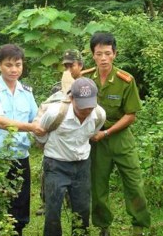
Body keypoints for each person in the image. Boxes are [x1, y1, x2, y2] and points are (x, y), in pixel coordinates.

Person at [84, 32, 151, 236]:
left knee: (134, 183)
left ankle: (138, 226)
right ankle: (104, 227)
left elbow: (131, 115)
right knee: (98, 186)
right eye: (99, 54)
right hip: (96, 142)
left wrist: (107, 133)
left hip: (120, 139)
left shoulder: (125, 80)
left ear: (115, 54)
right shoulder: (85, 79)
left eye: (107, 53)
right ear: (92, 55)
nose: (103, 58)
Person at [0, 44, 45, 236]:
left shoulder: (26, 91)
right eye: (9, 65)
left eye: (18, 64)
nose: (14, 69)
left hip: (20, 156)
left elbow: (36, 117)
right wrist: (32, 127)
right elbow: (0, 122)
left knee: (20, 204)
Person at [35, 77, 105, 236]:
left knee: (83, 209)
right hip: (55, 165)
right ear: (71, 98)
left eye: (90, 107)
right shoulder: (55, 113)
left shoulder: (99, 114)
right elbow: (40, 135)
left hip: (82, 166)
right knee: (53, 210)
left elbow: (93, 133)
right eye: (82, 107)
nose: (86, 112)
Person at [35, 49, 84, 216]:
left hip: (79, 139)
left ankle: (73, 202)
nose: (68, 70)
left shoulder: (88, 86)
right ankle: (46, 201)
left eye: (72, 65)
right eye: (66, 66)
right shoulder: (57, 88)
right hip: (58, 139)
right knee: (48, 170)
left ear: (80, 65)